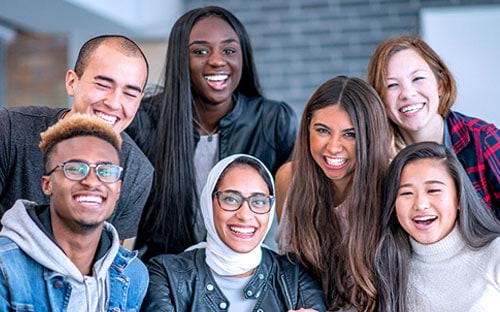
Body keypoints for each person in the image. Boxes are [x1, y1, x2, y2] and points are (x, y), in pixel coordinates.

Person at [126, 6, 297, 258]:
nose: (217, 60)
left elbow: (298, 209)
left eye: (229, 50)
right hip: (162, 273)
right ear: (180, 59)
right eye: (200, 51)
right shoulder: (143, 120)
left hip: (241, 273)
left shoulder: (273, 121)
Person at [0, 35, 153, 240]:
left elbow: (106, 259)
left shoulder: (137, 171)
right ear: (72, 82)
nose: (115, 103)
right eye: (103, 85)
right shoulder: (9, 131)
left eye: (130, 93)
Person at [0, 114, 149, 311]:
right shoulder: (5, 267)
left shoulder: (132, 275)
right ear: (47, 185)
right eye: (76, 169)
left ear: (118, 188)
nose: (92, 181)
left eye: (105, 171)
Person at [141, 154, 325, 311]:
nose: (245, 214)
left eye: (259, 202)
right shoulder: (165, 274)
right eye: (231, 199)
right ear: (208, 203)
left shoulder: (296, 277)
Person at [277, 76, 391, 311]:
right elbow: (293, 274)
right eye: (322, 130)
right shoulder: (289, 179)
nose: (333, 147)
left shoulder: (393, 181)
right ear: (307, 127)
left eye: (350, 134)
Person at [366, 35, 500, 214]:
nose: (407, 93)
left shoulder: (482, 140)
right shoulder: (376, 159)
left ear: (440, 84)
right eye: (391, 85)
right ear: (379, 98)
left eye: (417, 78)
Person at [375, 142, 500, 312]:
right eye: (406, 193)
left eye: (433, 190)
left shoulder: (495, 254)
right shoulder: (385, 269)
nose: (420, 204)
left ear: (459, 198)